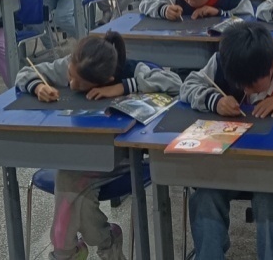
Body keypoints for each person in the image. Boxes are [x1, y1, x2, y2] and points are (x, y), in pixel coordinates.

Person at [17, 32, 181, 260]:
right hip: (79, 156)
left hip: (120, 160)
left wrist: (124, 87)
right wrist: (37, 86)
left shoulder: (130, 70)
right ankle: (104, 242)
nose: (71, 84)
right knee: (76, 193)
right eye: (70, 76)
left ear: (106, 80)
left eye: (80, 84)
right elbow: (26, 72)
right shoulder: (73, 64)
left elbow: (176, 84)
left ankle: (65, 253)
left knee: (68, 181)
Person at [180, 22, 273, 259]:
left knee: (268, 200)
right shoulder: (222, 63)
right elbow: (187, 86)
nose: (246, 91)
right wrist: (214, 100)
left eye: (252, 84)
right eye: (239, 84)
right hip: (225, 166)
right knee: (205, 198)